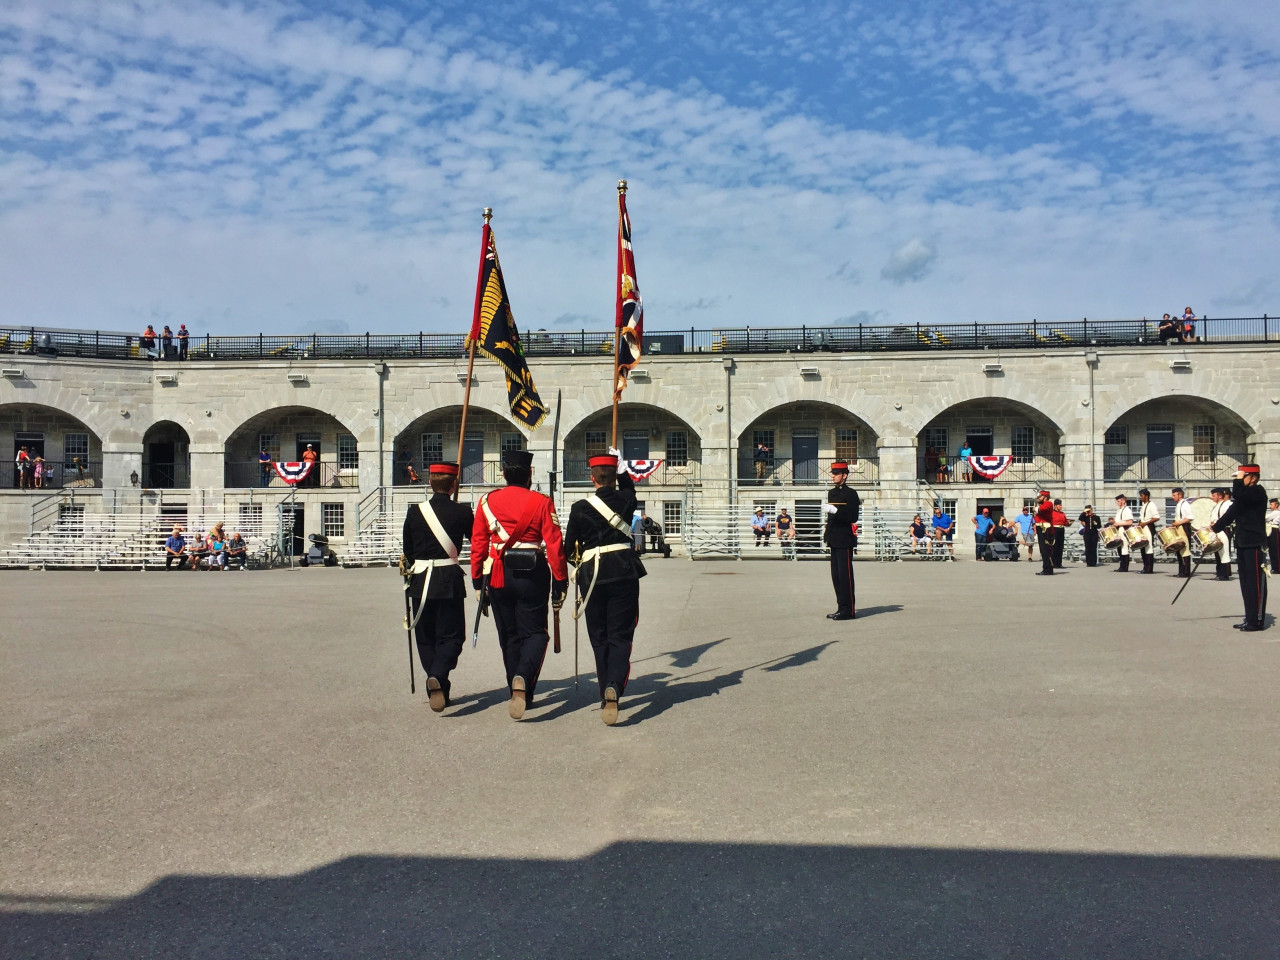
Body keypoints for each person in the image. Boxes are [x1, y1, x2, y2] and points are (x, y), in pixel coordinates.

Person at [470, 449, 568, 720]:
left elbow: (478, 543)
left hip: (498, 574)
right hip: (532, 573)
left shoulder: (486, 501)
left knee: (509, 636)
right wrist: (561, 579)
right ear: (530, 474)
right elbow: (554, 543)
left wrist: (477, 579)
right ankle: (523, 679)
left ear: (503, 473)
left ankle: (516, 686)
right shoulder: (541, 501)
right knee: (535, 634)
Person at [565, 450, 646, 725]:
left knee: (599, 637)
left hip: (592, 577)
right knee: (621, 636)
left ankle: (605, 691)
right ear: (613, 478)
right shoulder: (626, 500)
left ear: (592, 478)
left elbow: (568, 551)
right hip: (623, 572)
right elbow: (630, 489)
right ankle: (615, 685)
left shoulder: (579, 508)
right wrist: (622, 470)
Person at [403, 461, 474, 712]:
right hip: (448, 580)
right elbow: (476, 541)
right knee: (453, 636)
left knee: (425, 637)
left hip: (420, 581)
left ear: (430, 482)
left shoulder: (414, 512)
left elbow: (408, 551)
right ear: (454, 484)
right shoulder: (463, 513)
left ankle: (436, 682)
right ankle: (439, 675)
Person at [1210, 465, 1268, 631]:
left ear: (1254, 477)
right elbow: (1231, 513)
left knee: (1255, 583)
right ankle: (1249, 618)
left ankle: (1256, 620)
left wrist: (1237, 482)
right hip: (1243, 542)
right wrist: (1214, 529)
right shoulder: (1243, 497)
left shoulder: (1257, 491)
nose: (1239, 480)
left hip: (1255, 542)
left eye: (1243, 477)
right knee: (1246, 583)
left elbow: (1239, 495)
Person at [823, 461, 861, 620]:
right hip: (834, 538)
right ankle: (841, 607)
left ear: (844, 476)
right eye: (833, 473)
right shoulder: (832, 493)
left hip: (845, 538)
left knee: (845, 576)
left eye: (836, 474)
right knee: (836, 576)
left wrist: (836, 511)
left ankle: (849, 610)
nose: (833, 476)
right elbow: (831, 517)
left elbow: (853, 517)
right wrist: (827, 533)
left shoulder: (851, 494)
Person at [1169, 488, 1195, 578]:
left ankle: (1186, 572)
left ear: (1180, 495)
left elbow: (1189, 518)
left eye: (1174, 495)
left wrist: (1178, 523)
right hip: (1178, 527)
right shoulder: (1179, 505)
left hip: (1184, 528)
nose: (1173, 497)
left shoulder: (1185, 504)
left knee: (1185, 549)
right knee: (1179, 549)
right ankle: (1181, 571)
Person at [1209, 487, 1233, 581]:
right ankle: (1220, 573)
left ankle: (1225, 574)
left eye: (1214, 495)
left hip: (1224, 529)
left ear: (1219, 496)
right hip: (1217, 530)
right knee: (1218, 551)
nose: (1212, 497)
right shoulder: (1217, 506)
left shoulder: (1227, 504)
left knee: (1224, 552)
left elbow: (1227, 518)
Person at [1133, 488, 1159, 574]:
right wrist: (1140, 523)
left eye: (1141, 496)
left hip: (1148, 527)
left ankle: (1149, 568)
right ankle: (1145, 567)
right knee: (1143, 547)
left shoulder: (1152, 505)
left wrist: (1145, 523)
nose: (1140, 498)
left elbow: (1156, 517)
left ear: (1146, 496)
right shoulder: (1143, 505)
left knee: (1149, 548)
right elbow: (1142, 517)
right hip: (1143, 527)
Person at [1034, 490, 1056, 575]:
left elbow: (1042, 509)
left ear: (1045, 497)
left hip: (1045, 528)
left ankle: (1048, 569)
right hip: (1041, 527)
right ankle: (1046, 568)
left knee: (1045, 549)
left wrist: (1036, 508)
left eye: (1040, 496)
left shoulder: (1048, 503)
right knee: (1043, 550)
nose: (1038, 498)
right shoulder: (1042, 504)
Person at [1112, 493, 1134, 573]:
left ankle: (1125, 567)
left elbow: (1130, 522)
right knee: (1120, 549)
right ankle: (1122, 566)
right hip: (1119, 531)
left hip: (1124, 531)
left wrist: (1118, 524)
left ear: (1123, 501)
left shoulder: (1127, 510)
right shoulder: (1119, 510)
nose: (1117, 503)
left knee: (1124, 549)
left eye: (1118, 501)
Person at [1052, 499, 1072, 568]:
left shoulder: (1062, 513)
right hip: (1055, 529)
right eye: (1059, 505)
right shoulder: (1052, 513)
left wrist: (1068, 523)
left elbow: (1065, 522)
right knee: (1055, 547)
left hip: (1061, 529)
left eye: (1061, 505)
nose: (1061, 506)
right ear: (1055, 506)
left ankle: (1059, 563)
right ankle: (1054, 563)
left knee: (1060, 547)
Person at [1267, 497, 1280, 575]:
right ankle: (1274, 567)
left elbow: (1267, 518)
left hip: (1274, 530)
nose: (1270, 505)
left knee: (1276, 550)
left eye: (1271, 504)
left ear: (1276, 505)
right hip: (1270, 530)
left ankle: (1277, 568)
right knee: (1272, 550)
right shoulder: (1272, 513)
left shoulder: (1277, 512)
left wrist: (1268, 519)